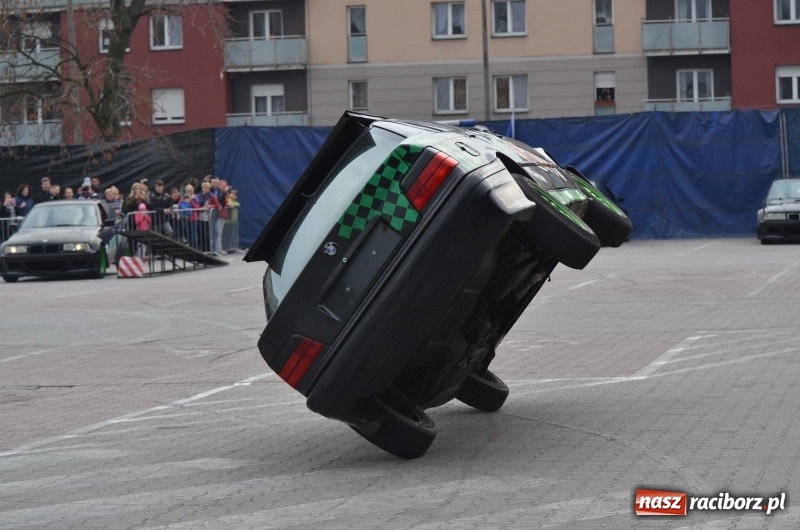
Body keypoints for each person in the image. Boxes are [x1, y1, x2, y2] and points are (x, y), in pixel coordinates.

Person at [191, 181, 220, 253]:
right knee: (200, 232)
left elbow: (218, 205)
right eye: (204, 188)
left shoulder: (212, 196)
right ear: (202, 188)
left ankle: (207, 249)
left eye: (207, 188)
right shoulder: (197, 195)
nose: (206, 189)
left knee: (206, 233)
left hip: (207, 216)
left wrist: (211, 206)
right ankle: (202, 248)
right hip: (199, 215)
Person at [209, 176, 227, 254]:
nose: (215, 184)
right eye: (214, 182)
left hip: (219, 214)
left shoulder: (222, 192)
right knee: (210, 232)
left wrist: (220, 206)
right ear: (211, 183)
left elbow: (224, 202)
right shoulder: (208, 191)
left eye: (217, 182)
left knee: (219, 232)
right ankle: (210, 249)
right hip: (209, 214)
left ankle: (218, 248)